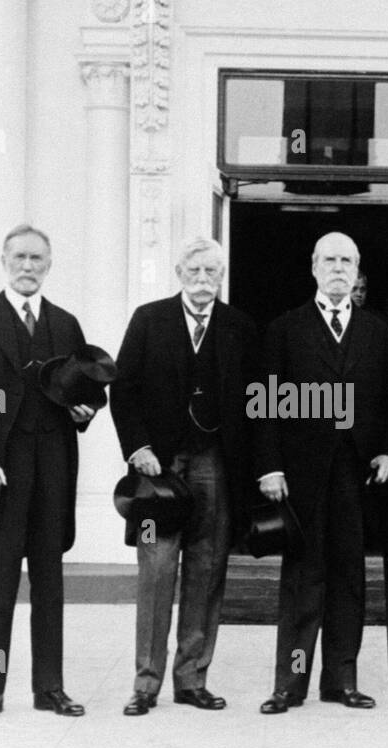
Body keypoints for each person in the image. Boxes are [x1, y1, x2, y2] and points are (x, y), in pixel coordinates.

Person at [0, 225, 98, 721]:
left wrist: (85, 411)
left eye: (37, 259)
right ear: (4, 261)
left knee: (50, 581)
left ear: (49, 265)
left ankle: (49, 687)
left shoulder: (66, 324)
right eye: (19, 258)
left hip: (52, 465)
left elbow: (88, 390)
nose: (27, 266)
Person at [110, 237, 257, 715]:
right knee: (156, 569)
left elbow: (257, 398)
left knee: (207, 567)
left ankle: (192, 678)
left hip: (215, 465)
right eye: (194, 271)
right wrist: (138, 449)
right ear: (178, 272)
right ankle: (146, 683)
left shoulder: (239, 327)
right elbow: (123, 390)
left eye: (211, 272)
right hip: (159, 469)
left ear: (222, 276)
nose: (202, 281)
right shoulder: (149, 320)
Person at [256, 232, 388, 713]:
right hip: (301, 474)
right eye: (330, 260)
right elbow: (268, 404)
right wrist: (270, 466)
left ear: (357, 271)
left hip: (357, 476)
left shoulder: (377, 331)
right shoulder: (285, 329)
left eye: (347, 261)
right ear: (314, 268)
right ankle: (290, 685)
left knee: (348, 579)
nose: (338, 268)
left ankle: (341, 681)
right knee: (303, 580)